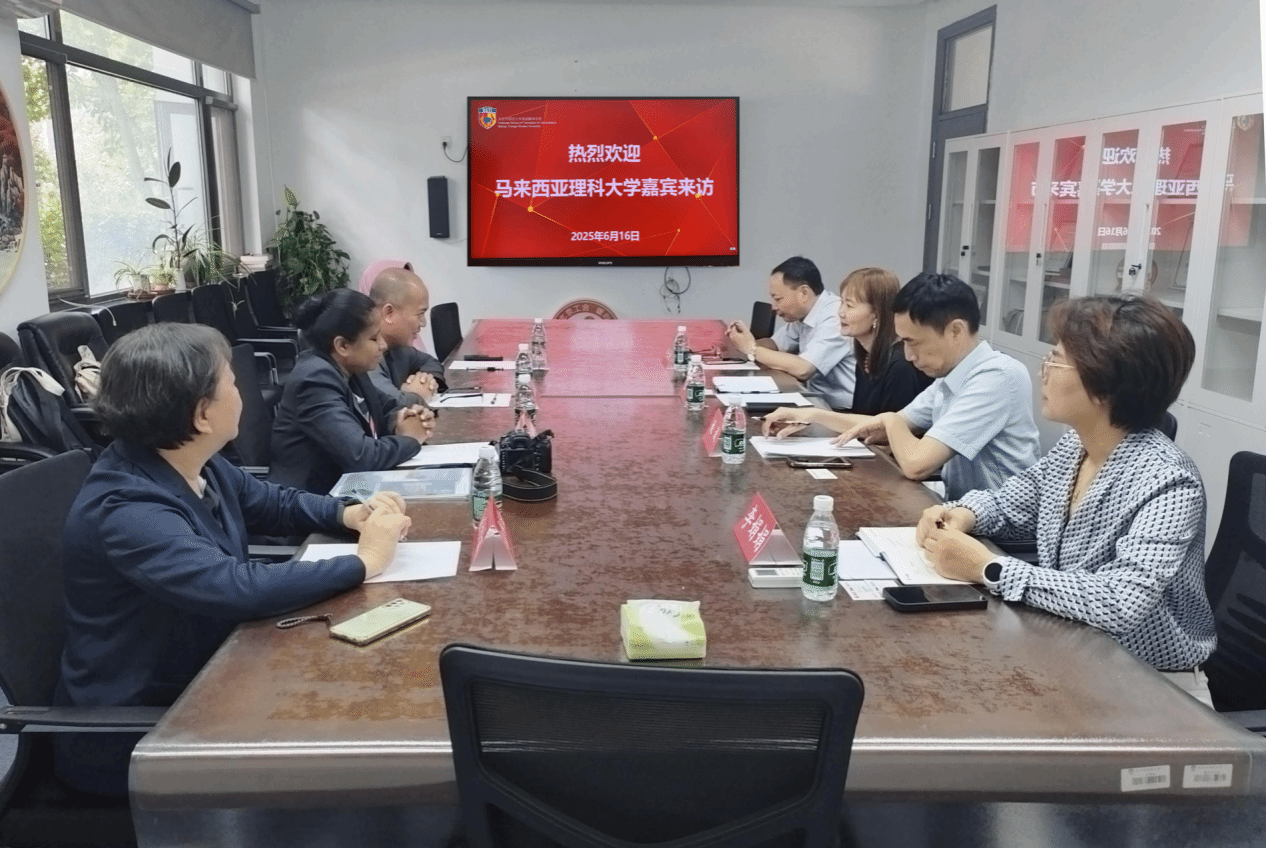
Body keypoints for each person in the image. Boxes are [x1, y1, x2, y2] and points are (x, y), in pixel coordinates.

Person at [54, 323, 412, 796]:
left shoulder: (189, 461)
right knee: (356, 723)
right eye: (232, 382)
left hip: (212, 672)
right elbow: (235, 587)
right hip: (142, 730)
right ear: (203, 414)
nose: (241, 392)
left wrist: (348, 514)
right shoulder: (127, 510)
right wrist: (366, 560)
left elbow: (272, 502)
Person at [916, 295, 1216, 692]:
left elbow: (1120, 602)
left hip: (1151, 687)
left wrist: (989, 567)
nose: (1043, 372)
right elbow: (1011, 502)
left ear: (1104, 384)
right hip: (1074, 653)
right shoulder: (1076, 446)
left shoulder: (1169, 481)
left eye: (1056, 361)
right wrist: (962, 513)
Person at [762, 272, 1040, 500]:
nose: (908, 355)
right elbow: (884, 424)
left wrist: (890, 420)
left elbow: (916, 463)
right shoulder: (951, 376)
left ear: (955, 331)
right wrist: (812, 415)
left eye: (913, 342)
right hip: (962, 516)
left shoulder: (996, 376)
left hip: (1002, 536)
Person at [270, 288, 435, 494]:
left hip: (349, 489)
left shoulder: (352, 369)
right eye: (374, 338)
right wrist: (410, 438)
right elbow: (362, 456)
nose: (383, 345)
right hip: (309, 502)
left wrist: (412, 416)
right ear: (343, 346)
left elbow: (389, 407)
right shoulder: (314, 380)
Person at [726, 256, 856, 409]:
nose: (774, 307)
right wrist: (742, 340)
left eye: (778, 299)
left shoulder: (835, 316)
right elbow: (775, 344)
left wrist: (751, 349)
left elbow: (804, 369)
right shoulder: (804, 314)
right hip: (815, 400)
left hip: (841, 411)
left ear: (803, 293)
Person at [836, 267, 931, 414]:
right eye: (841, 302)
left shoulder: (900, 366)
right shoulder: (867, 358)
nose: (840, 312)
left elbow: (889, 425)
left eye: (849, 305)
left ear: (876, 313)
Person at [367, 264, 448, 405]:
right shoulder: (364, 353)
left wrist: (426, 381)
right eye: (420, 314)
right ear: (389, 313)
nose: (423, 323)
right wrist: (415, 394)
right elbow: (389, 403)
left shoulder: (399, 348)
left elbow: (430, 362)